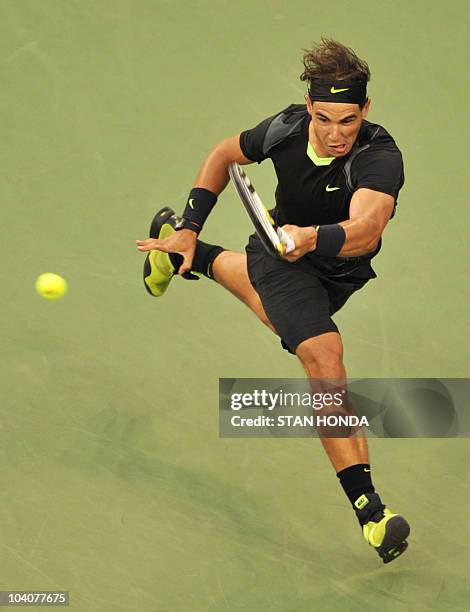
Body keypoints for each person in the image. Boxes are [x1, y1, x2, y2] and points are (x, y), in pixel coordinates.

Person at [136, 37, 410, 563]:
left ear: (366, 112)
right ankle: (371, 513)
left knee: (290, 324)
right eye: (324, 118)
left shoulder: (380, 156)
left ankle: (179, 256)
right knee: (323, 355)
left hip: (335, 270)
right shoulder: (284, 129)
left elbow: (368, 229)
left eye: (348, 121)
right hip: (280, 259)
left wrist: (310, 236)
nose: (335, 134)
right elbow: (223, 153)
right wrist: (193, 224)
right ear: (309, 108)